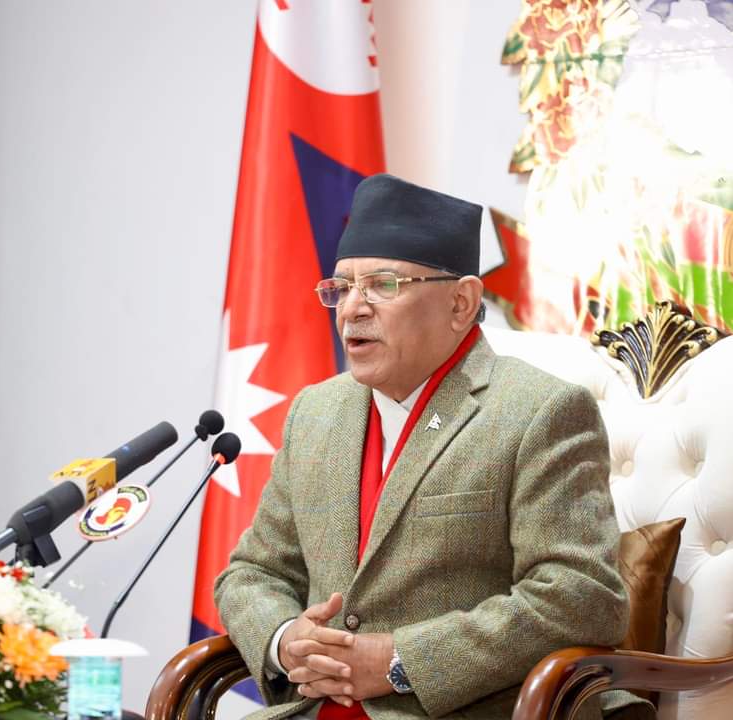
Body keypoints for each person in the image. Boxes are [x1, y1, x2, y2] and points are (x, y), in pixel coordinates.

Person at [214, 174, 652, 720]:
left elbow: (580, 596)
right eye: (341, 288)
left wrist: (402, 660)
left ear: (461, 302)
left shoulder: (540, 411)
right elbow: (252, 572)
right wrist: (286, 640)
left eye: (382, 285)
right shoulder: (316, 412)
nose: (352, 309)